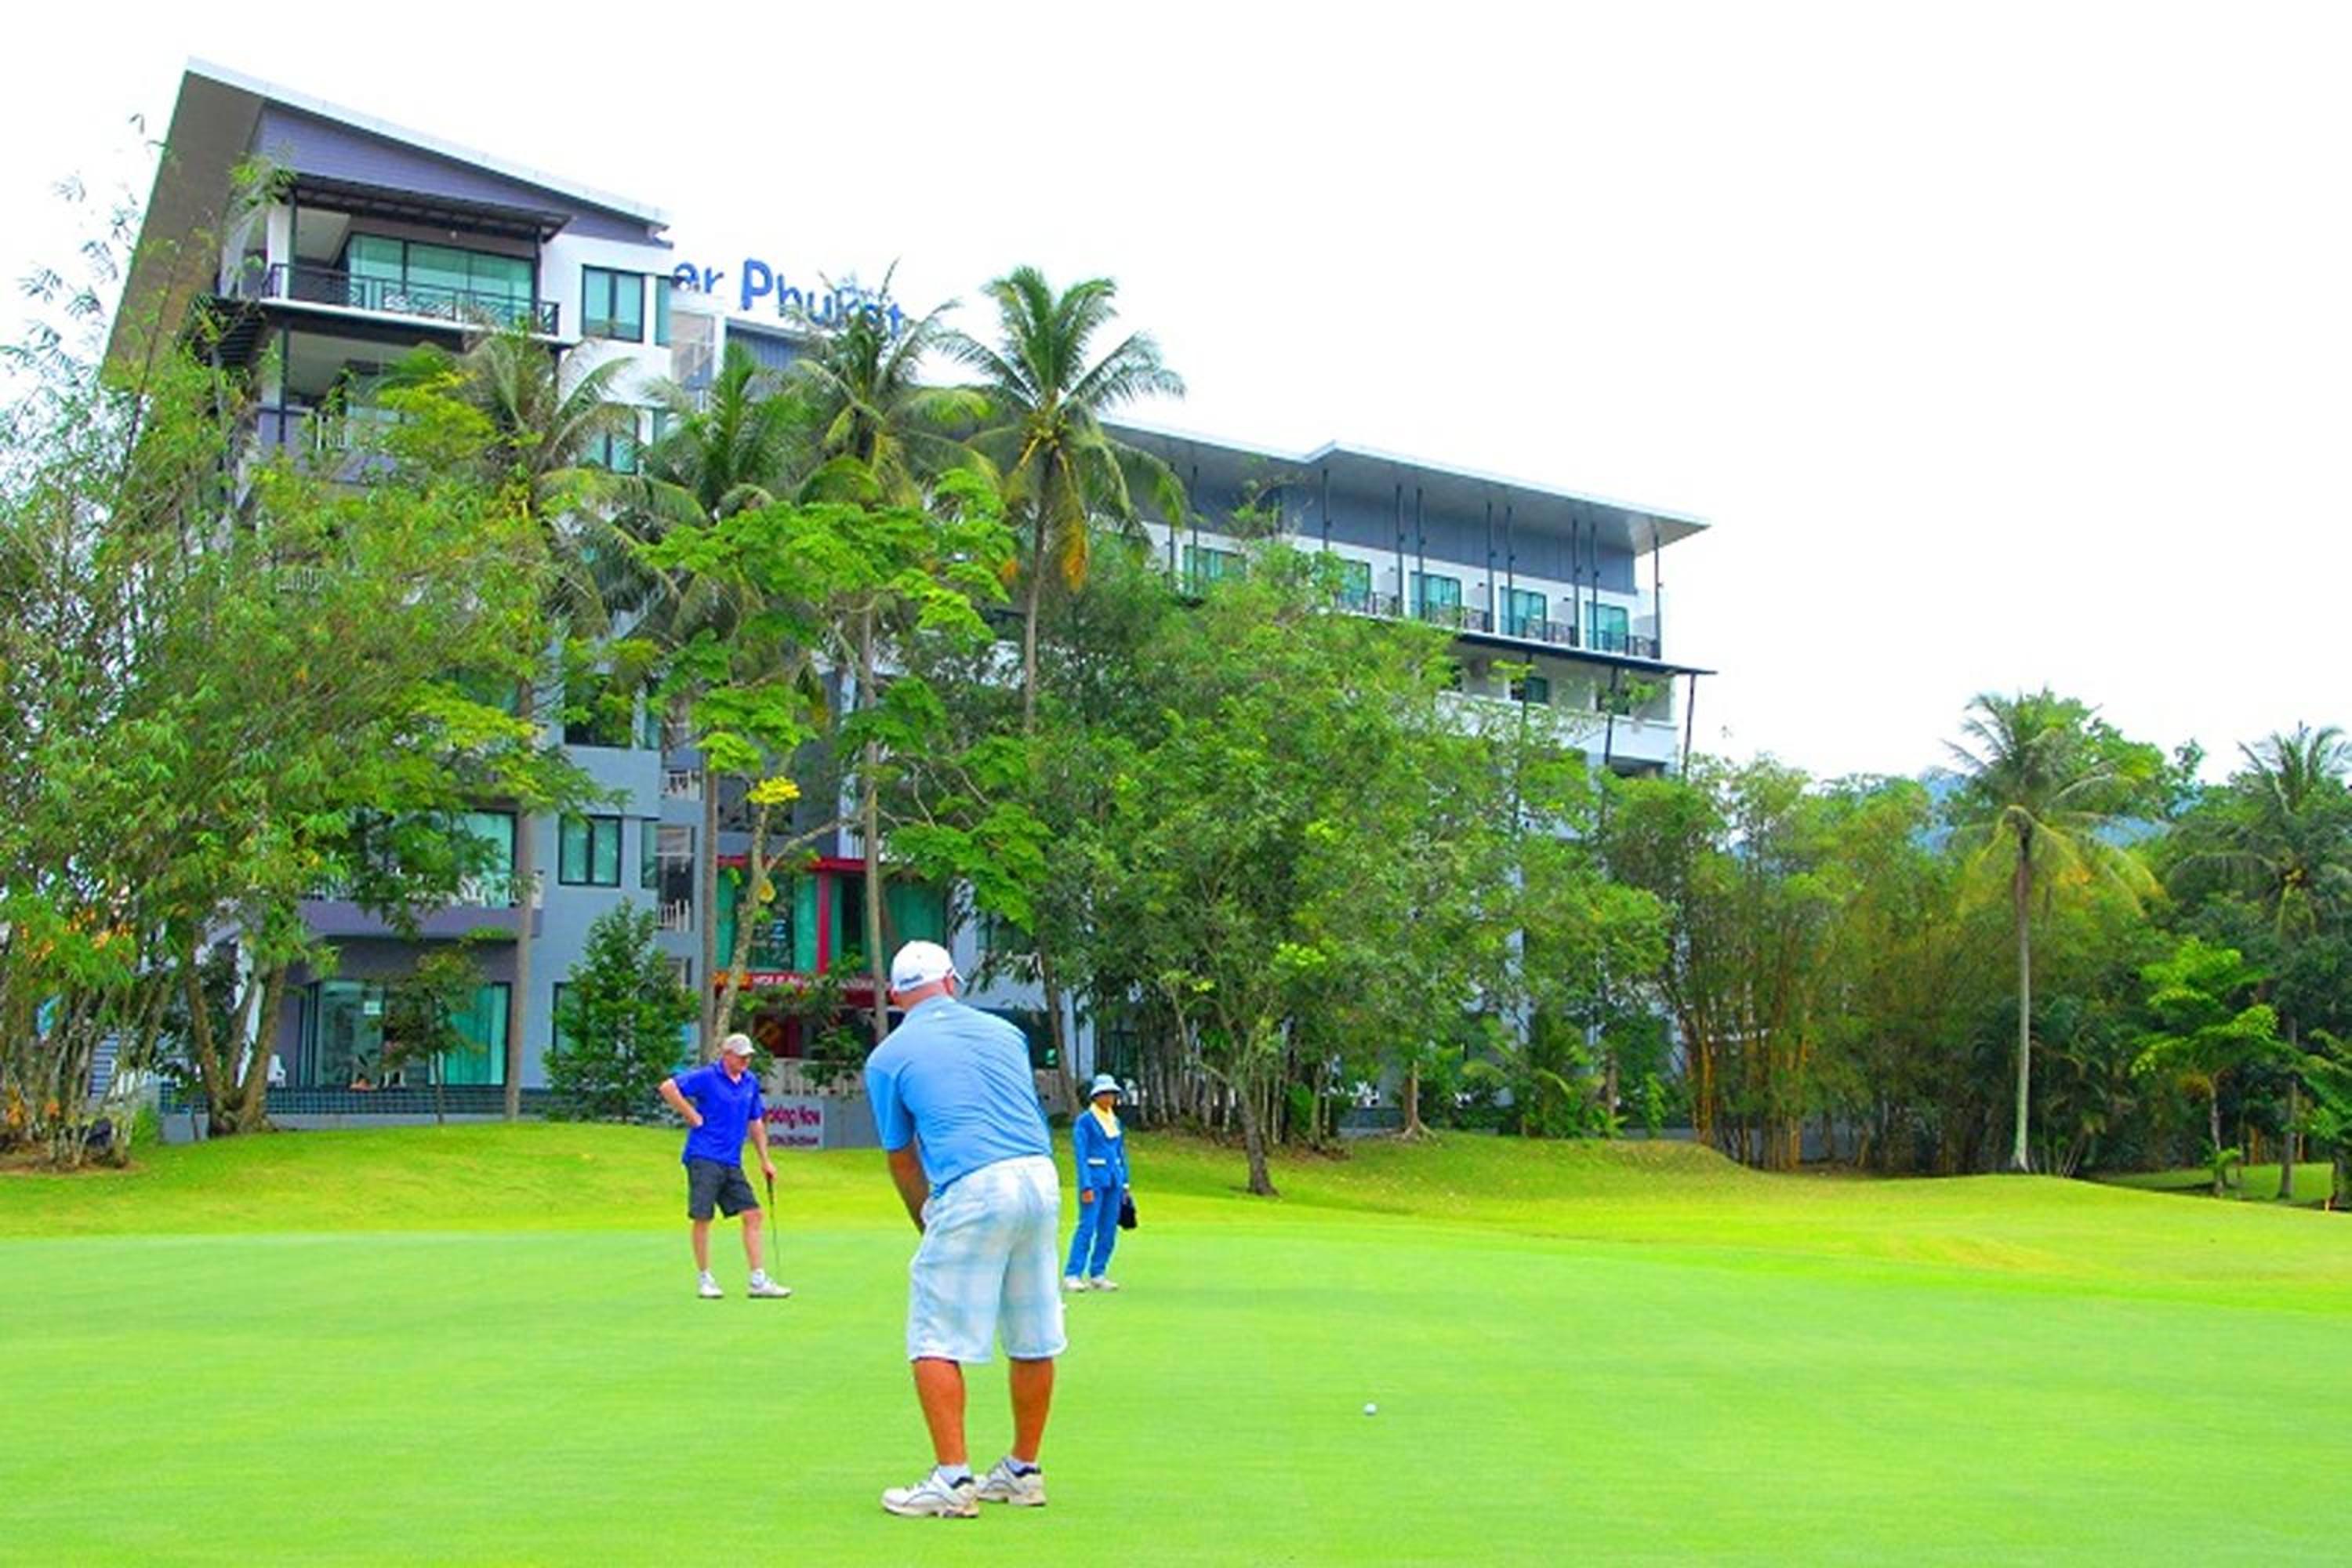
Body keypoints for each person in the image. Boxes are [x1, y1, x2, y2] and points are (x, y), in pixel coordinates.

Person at [864, 940, 1062, 1519]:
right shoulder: (1007, 1034)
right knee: (1033, 1331)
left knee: (935, 1334)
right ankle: (1023, 1471)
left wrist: (924, 1219)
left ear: (896, 995)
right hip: (1039, 1177)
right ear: (952, 982)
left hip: (974, 1184)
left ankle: (953, 1480)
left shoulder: (888, 1057)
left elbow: (902, 1157)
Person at [657, 1033, 790, 1301]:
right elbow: (668, 1088)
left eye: (748, 1057)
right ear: (726, 1055)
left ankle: (758, 1280)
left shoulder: (750, 1082)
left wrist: (765, 1159)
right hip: (703, 1156)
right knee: (703, 1217)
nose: (745, 1061)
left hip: (731, 1160)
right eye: (741, 1057)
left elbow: (755, 1121)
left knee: (753, 1214)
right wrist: (692, 1115)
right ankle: (705, 1278)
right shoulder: (708, 1076)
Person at [1063, 1073, 1131, 1293]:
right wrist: (1086, 1185)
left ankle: (1098, 1273)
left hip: (1114, 1180)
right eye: (1105, 1094)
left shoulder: (1115, 1121)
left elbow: (1121, 1153)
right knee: (1087, 1226)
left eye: (1112, 1094)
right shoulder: (1085, 1121)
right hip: (1094, 1180)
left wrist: (1125, 1183)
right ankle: (1073, 1273)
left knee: (1109, 1228)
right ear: (1096, 1096)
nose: (1109, 1098)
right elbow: (1081, 1155)